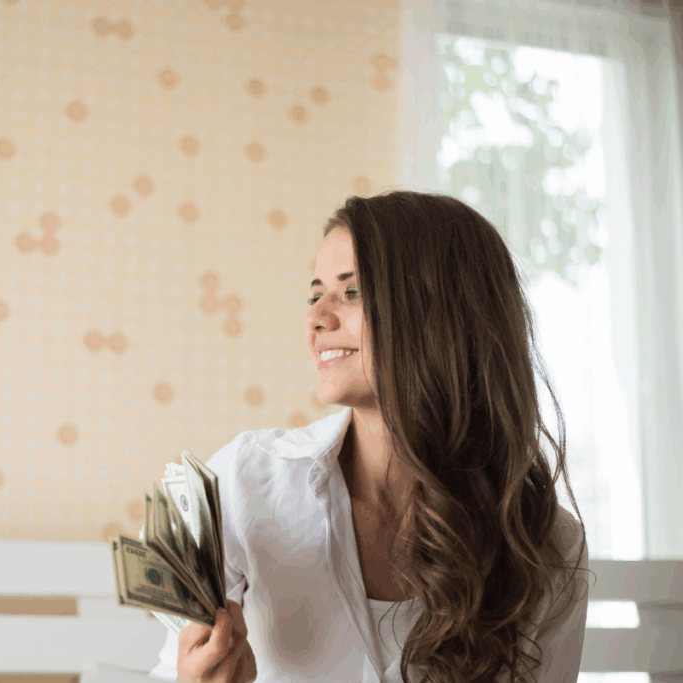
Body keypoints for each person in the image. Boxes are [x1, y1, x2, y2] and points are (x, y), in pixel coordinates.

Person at [148, 191, 593, 683]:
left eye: (352, 292)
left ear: (439, 313)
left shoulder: (547, 543)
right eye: (315, 294)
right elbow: (171, 669)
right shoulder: (244, 481)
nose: (316, 318)